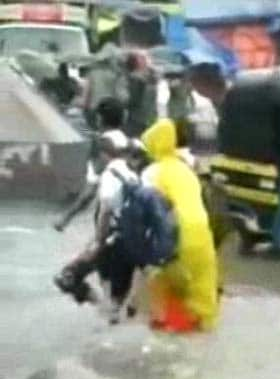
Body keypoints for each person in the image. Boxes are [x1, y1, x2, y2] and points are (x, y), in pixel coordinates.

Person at [54, 105, 135, 316]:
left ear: (99, 118)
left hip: (108, 232)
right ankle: (114, 315)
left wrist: (66, 217)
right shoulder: (132, 144)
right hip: (131, 230)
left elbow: (93, 192)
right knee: (119, 292)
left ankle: (104, 311)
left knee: (68, 277)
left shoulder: (101, 148)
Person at [140, 119, 219, 331]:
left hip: (176, 234)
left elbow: (150, 211)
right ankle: (203, 332)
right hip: (202, 232)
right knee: (201, 287)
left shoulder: (152, 172)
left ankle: (177, 333)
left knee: (170, 290)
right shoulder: (186, 169)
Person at [54, 98, 125, 232]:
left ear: (99, 118)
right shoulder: (128, 143)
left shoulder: (102, 145)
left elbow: (91, 190)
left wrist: (66, 217)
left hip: (111, 217)